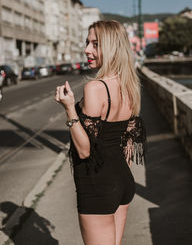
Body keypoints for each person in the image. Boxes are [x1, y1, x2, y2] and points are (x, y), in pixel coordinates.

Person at [55, 20, 146, 245]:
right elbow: (127, 146)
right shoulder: (129, 86)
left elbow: (85, 150)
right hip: (122, 180)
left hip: (97, 186)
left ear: (112, 47)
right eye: (87, 43)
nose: (87, 49)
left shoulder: (96, 88)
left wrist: (69, 108)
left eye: (95, 44)